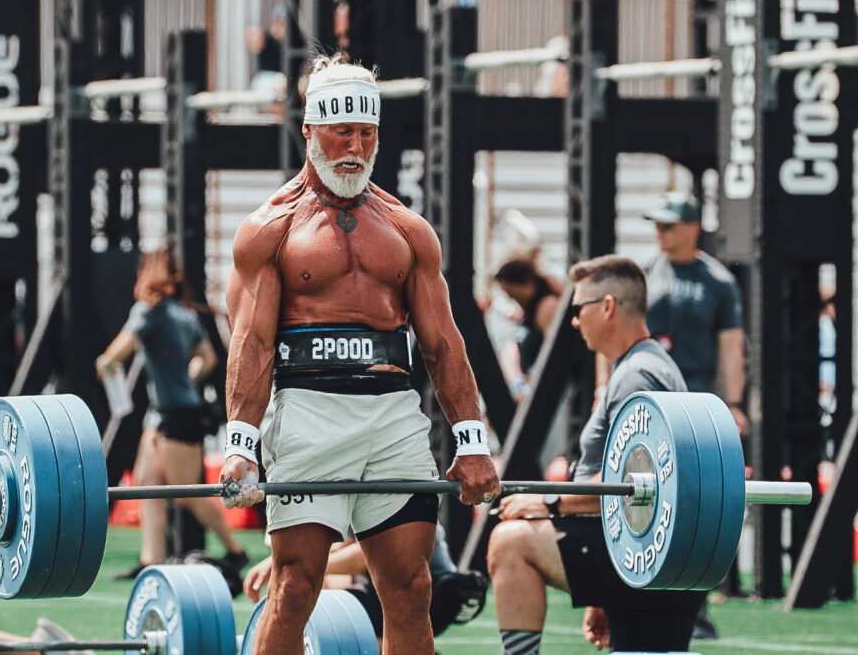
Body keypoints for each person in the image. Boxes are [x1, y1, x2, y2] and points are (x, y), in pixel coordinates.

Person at [218, 53, 500, 655]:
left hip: (392, 416)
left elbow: (443, 341)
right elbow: (253, 342)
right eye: (340, 131)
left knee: (412, 585)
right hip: (306, 415)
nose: (354, 146)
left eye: (366, 132)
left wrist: (472, 442)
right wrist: (240, 446)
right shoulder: (269, 229)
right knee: (295, 586)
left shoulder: (406, 228)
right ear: (309, 131)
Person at [487, 255, 706, 655]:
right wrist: (598, 595)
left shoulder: (637, 376)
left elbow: (638, 487)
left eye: (578, 309)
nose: (573, 321)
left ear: (606, 307)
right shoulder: (643, 367)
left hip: (651, 561)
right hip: (652, 556)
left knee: (510, 541)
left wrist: (547, 500)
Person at [96, 246, 249, 581]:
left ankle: (236, 550)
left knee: (184, 491)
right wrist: (185, 381)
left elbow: (116, 354)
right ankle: (151, 559)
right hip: (173, 411)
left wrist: (105, 366)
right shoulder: (184, 313)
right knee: (147, 481)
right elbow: (207, 358)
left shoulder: (147, 310)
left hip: (175, 414)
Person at [641, 190, 748, 638]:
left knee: (698, 506)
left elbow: (731, 347)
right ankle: (639, 602)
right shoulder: (644, 274)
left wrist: (737, 404)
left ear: (692, 227)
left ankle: (695, 610)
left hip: (697, 406)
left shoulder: (718, 281)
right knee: (644, 501)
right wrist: (603, 390)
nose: (661, 233)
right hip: (649, 403)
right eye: (657, 225)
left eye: (669, 225)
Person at [244, 524, 489, 646]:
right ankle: (369, 642)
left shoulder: (390, 482)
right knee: (315, 578)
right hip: (384, 585)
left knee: (311, 575)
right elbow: (342, 547)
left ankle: (379, 644)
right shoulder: (357, 479)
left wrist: (296, 565)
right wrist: (281, 560)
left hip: (431, 599)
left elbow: (361, 558)